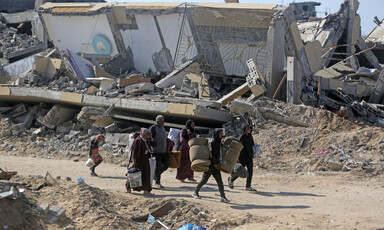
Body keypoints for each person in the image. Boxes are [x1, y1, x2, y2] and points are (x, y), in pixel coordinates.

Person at [192, 129, 230, 203]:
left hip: (216, 167)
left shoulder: (220, 143)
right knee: (204, 180)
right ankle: (195, 191)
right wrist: (216, 162)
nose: (221, 135)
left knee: (220, 182)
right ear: (217, 134)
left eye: (222, 134)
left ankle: (223, 197)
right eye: (220, 134)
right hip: (210, 166)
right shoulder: (212, 143)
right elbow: (210, 155)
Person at [228, 124, 257, 192]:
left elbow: (252, 145)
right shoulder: (241, 137)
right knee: (240, 171)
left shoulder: (250, 136)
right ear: (245, 129)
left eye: (250, 129)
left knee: (250, 171)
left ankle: (248, 186)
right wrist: (237, 158)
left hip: (249, 156)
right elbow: (238, 148)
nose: (249, 130)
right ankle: (231, 179)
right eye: (248, 129)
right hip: (242, 157)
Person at [129, 128, 154, 195]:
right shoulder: (138, 141)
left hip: (146, 160)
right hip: (139, 161)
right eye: (146, 134)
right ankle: (128, 186)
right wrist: (134, 161)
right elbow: (134, 152)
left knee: (146, 175)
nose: (147, 135)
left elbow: (154, 144)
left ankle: (146, 190)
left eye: (148, 134)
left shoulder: (147, 140)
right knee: (136, 175)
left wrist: (151, 137)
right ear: (142, 134)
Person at [149, 115, 170, 189]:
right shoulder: (153, 128)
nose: (163, 122)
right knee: (158, 166)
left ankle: (155, 176)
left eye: (163, 121)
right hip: (156, 151)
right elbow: (149, 138)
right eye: (161, 121)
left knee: (167, 164)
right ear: (157, 121)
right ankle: (157, 182)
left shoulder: (163, 128)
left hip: (164, 150)